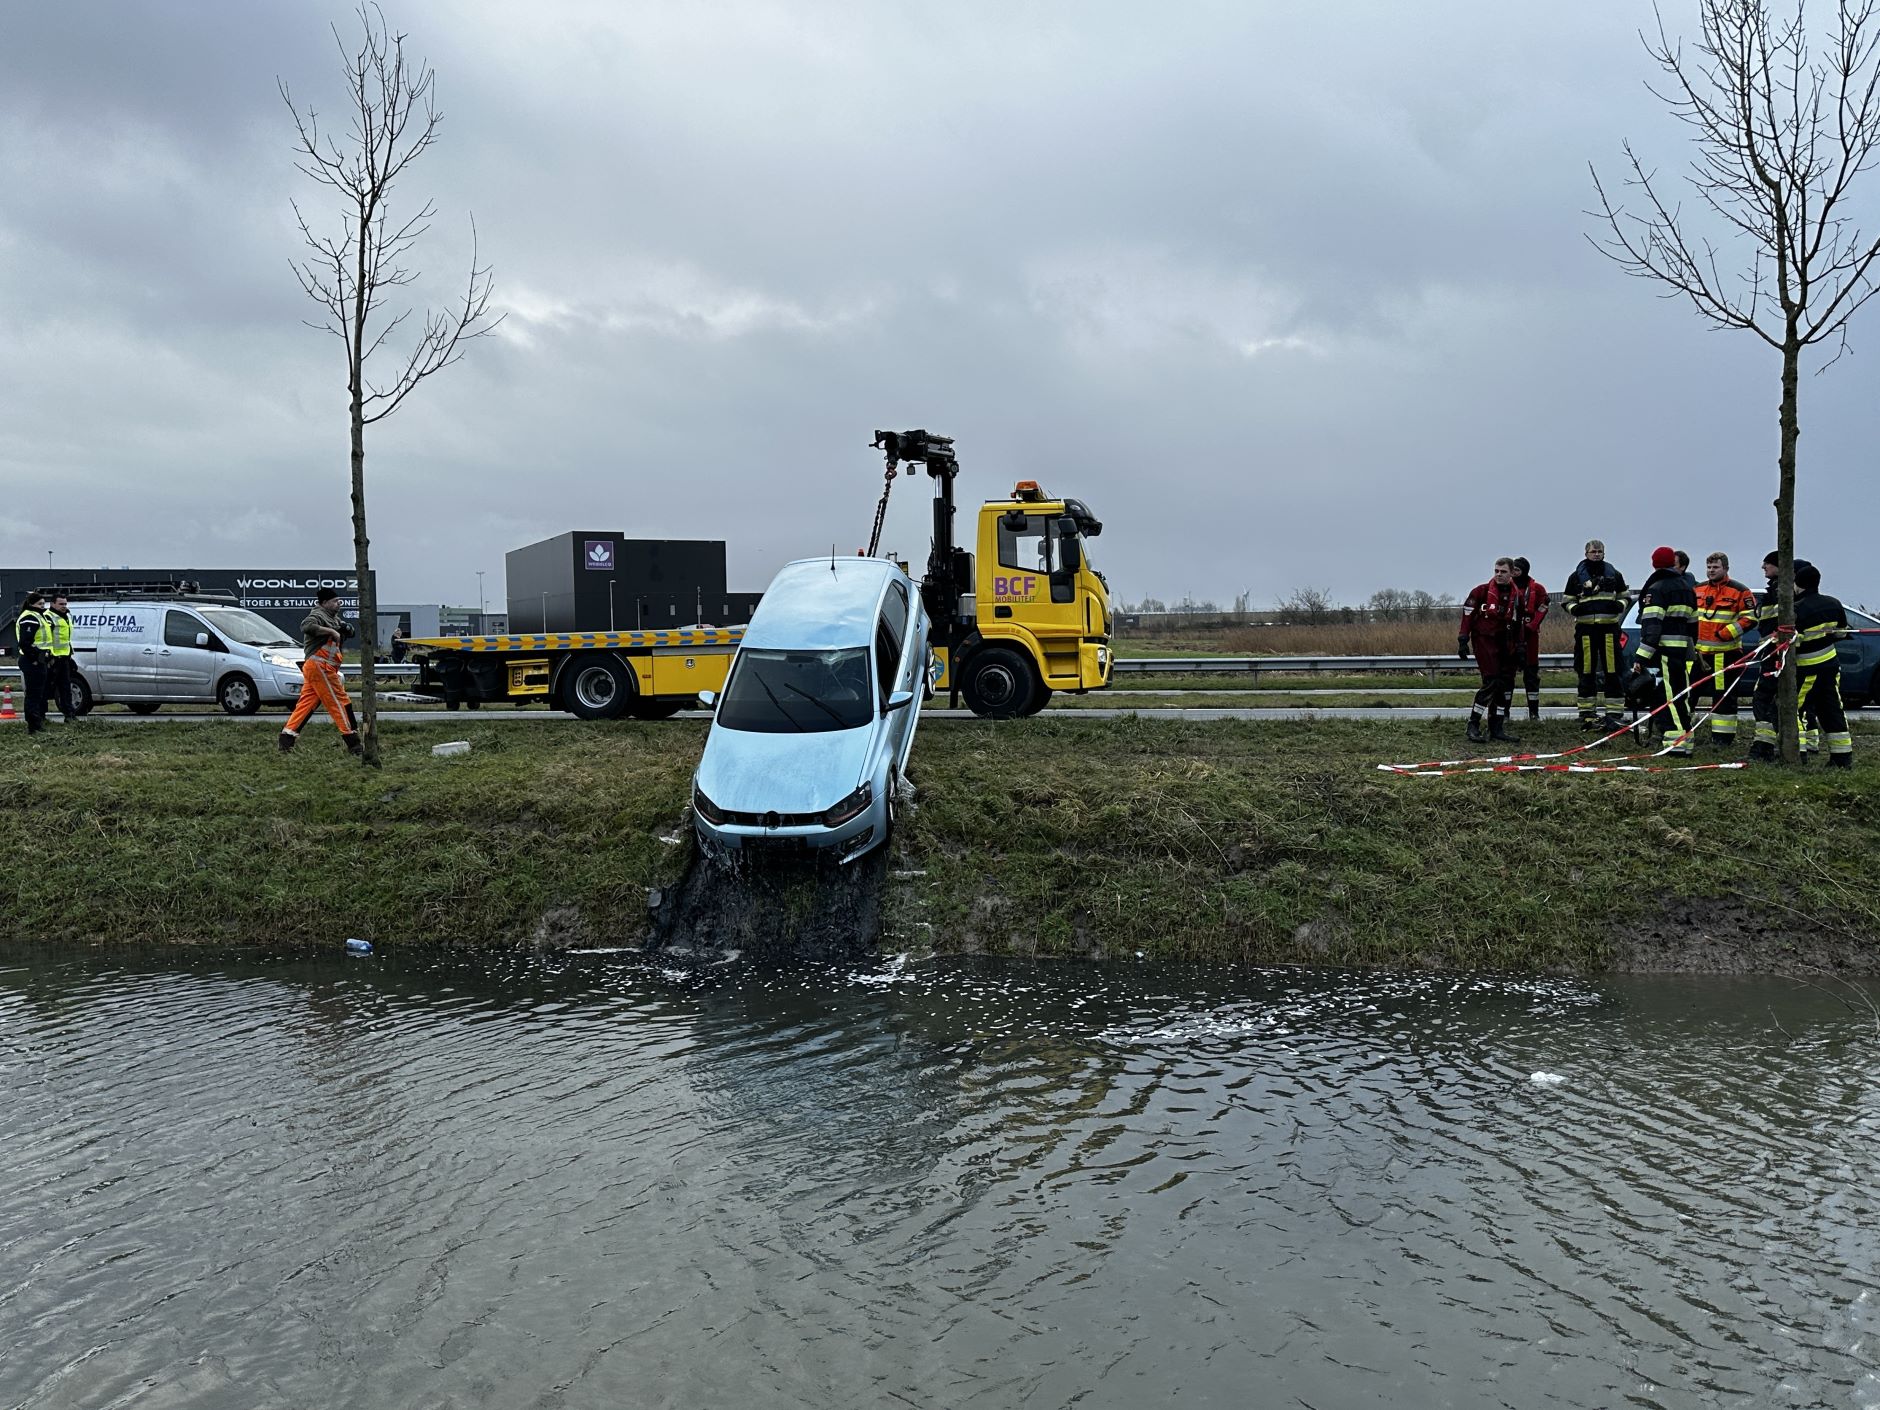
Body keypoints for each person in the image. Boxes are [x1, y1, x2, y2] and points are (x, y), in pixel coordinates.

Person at [1751, 560, 1852, 766]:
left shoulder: (1796, 609)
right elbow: (1841, 633)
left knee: (1792, 709)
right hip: (1831, 666)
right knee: (1831, 709)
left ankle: (1798, 755)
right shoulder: (1834, 603)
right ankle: (1842, 758)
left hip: (1806, 668)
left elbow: (1791, 641)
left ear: (1797, 584)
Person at [1628, 545, 1699, 757]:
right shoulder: (1688, 588)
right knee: (1681, 695)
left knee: (1670, 697)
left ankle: (1677, 745)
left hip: (1666, 651)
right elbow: (1694, 624)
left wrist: (1641, 656)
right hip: (1683, 651)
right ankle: (1686, 739)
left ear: (1654, 564)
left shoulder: (1657, 589)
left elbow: (1652, 628)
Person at [279, 586, 361, 755]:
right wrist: (331, 631)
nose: (339, 604)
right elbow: (306, 626)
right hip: (320, 666)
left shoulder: (334, 618)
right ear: (324, 603)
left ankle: (287, 738)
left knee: (306, 704)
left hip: (319, 668)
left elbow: (349, 631)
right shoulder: (317, 615)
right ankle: (353, 742)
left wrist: (345, 628)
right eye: (335, 601)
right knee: (339, 701)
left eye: (339, 601)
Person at [1562, 539, 1628, 730]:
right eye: (1593, 552)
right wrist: (1576, 610)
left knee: (1613, 670)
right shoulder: (1576, 577)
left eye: (1599, 551)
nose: (1596, 554)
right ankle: (1586, 713)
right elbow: (1566, 601)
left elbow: (1625, 596)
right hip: (1586, 630)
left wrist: (1619, 606)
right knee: (1586, 670)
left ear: (1604, 554)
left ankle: (1614, 713)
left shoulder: (1614, 575)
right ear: (1586, 554)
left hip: (1609, 629)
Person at [1691, 552, 1756, 748]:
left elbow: (1750, 619)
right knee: (1688, 693)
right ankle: (1683, 732)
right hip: (1698, 654)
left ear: (1725, 568)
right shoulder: (1698, 589)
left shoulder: (1740, 591)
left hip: (1725, 654)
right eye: (1709, 567)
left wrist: (1726, 633)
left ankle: (1722, 740)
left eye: (1715, 567)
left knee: (1723, 698)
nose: (1711, 571)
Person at [1458, 557, 1523, 744]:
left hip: (1506, 642)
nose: (1499, 575)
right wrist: (1463, 639)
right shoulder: (1481, 591)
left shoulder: (1516, 595)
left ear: (1512, 573)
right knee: (1491, 681)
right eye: (1496, 571)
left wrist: (1520, 646)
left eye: (1503, 572)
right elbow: (1467, 615)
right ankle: (1473, 724)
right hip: (1485, 641)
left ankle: (1497, 727)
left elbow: (1518, 623)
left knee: (1504, 685)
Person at [1510, 556, 1549, 721]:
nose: (1515, 573)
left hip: (1530, 637)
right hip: (1510, 637)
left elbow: (1543, 607)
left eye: (1517, 570)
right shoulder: (1506, 587)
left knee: (1531, 675)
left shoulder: (1537, 588)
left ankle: (1534, 712)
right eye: (1513, 570)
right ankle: (1504, 712)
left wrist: (1533, 625)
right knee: (1507, 675)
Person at [11, 591, 52, 734]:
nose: (43, 606)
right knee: (33, 695)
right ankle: (34, 726)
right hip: (31, 661)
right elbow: (25, 642)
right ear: (31, 604)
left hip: (37, 659)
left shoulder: (37, 616)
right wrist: (35, 659)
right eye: (40, 604)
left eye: (43, 604)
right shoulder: (30, 617)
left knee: (38, 694)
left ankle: (37, 722)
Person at [43, 593, 79, 723]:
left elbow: (65, 638)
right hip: (52, 658)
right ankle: (42, 717)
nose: (64, 606)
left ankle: (69, 715)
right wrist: (49, 656)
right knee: (46, 689)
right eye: (61, 604)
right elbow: (46, 638)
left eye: (65, 604)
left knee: (65, 688)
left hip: (64, 657)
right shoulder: (48, 617)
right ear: (52, 604)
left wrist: (69, 655)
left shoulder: (65, 616)